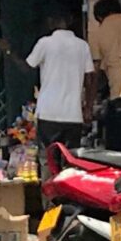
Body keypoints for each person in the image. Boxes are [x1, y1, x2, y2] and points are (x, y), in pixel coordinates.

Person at [26, 12, 94, 155]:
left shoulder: (45, 43)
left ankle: (50, 179)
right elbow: (90, 80)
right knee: (70, 159)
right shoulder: (82, 46)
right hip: (73, 115)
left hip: (48, 113)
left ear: (50, 21)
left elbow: (27, 67)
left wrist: (8, 51)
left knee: (48, 159)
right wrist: (88, 107)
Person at [86, 0, 121, 152]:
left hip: (120, 95)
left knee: (116, 150)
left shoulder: (99, 31)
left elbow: (95, 71)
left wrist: (89, 105)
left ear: (100, 17)